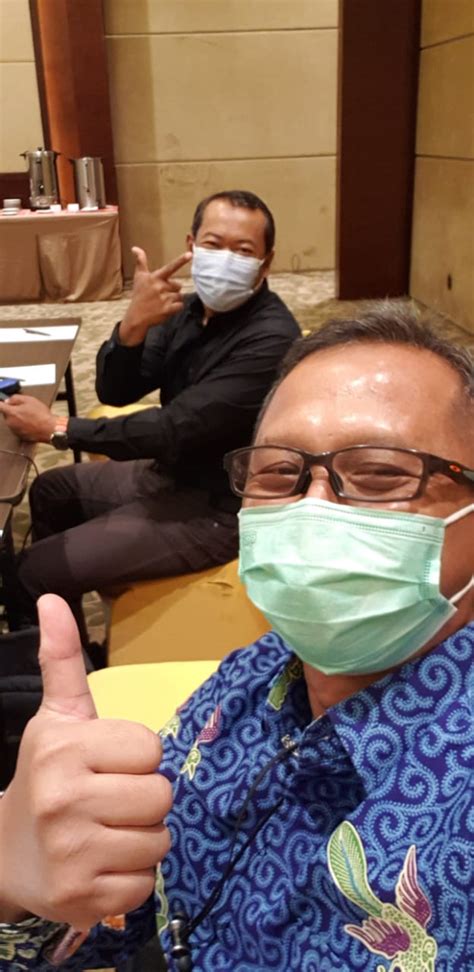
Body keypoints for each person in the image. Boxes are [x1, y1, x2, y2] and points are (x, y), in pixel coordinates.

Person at [0, 302, 472, 971]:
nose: (312, 513)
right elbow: (118, 908)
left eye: (380, 474)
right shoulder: (254, 676)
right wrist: (13, 889)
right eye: (279, 473)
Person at [0, 190, 299, 647]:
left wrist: (59, 428)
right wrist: (132, 327)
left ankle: (57, 673)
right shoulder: (188, 311)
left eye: (243, 251)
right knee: (52, 491)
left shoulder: (271, 338)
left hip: (218, 508)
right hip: (171, 474)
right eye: (214, 244)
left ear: (266, 262)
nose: (225, 259)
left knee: (30, 574)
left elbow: (172, 428)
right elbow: (115, 391)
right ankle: (72, 639)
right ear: (191, 245)